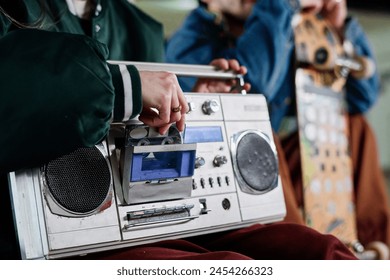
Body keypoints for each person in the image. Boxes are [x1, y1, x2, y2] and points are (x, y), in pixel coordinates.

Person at [0, 0, 357, 260]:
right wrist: (126, 89)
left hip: (157, 222)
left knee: (322, 250)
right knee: (231, 267)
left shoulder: (139, 25)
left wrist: (194, 109)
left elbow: (154, 144)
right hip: (72, 236)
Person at [165, 0, 390, 249]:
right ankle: (300, 253)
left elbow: (363, 99)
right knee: (260, 130)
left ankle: (373, 247)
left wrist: (340, 30)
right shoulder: (191, 38)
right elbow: (252, 92)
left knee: (355, 127)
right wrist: (282, 4)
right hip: (226, 177)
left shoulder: (278, 25)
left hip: (269, 172)